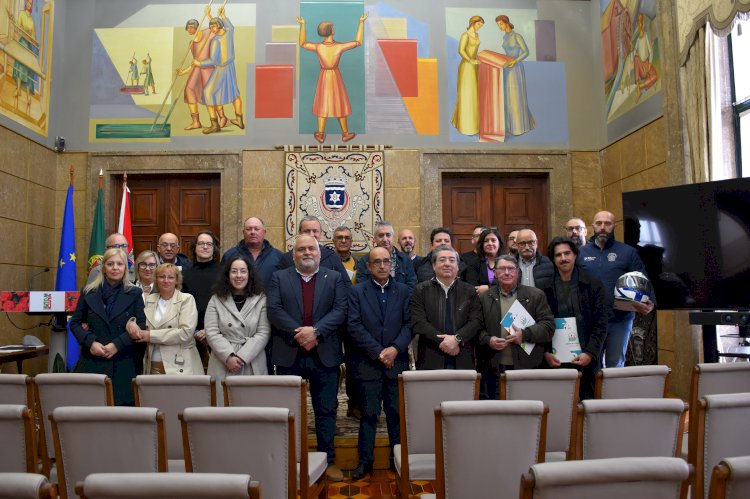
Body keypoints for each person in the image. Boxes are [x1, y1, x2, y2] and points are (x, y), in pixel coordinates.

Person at [267, 234, 348, 482]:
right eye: (301, 249)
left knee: (326, 410)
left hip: (324, 354)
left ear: (319, 253)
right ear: (294, 255)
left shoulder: (333, 277)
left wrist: (316, 331)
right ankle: (291, 461)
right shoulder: (279, 277)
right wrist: (299, 333)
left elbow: (340, 310)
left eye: (311, 249)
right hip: (290, 353)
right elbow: (274, 310)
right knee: (289, 412)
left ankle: (328, 460)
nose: (307, 253)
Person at [347, 246, 412, 480]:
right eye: (377, 262)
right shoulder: (356, 292)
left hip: (396, 365)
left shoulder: (404, 291)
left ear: (392, 264)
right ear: (369, 266)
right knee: (368, 415)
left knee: (396, 416)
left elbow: (409, 325)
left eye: (386, 261)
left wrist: (394, 349)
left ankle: (398, 462)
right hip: (368, 365)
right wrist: (378, 352)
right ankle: (365, 462)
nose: (383, 265)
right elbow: (353, 326)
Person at [69, 248, 146, 405]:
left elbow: (141, 325)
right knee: (92, 413)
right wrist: (91, 342)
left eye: (120, 264)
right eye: (110, 264)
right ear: (103, 267)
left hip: (122, 363)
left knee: (121, 416)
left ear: (125, 268)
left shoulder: (135, 293)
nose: (115, 268)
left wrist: (117, 345)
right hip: (92, 360)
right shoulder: (88, 292)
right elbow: (75, 323)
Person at [578, 211, 653, 368]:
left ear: (615, 226)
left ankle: (613, 394)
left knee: (615, 365)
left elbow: (643, 280)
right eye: (599, 223)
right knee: (592, 365)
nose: (603, 227)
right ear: (593, 226)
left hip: (620, 320)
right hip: (590, 320)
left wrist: (649, 301)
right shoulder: (581, 253)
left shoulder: (628, 252)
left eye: (608, 223)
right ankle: (593, 394)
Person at [476, 255, 555, 399]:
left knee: (526, 412)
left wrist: (525, 334)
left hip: (527, 366)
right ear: (495, 272)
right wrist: (488, 339)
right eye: (502, 269)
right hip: (494, 367)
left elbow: (548, 326)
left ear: (517, 272)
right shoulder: (484, 298)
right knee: (498, 412)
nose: (506, 272)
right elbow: (476, 329)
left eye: (511, 269)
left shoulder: (536, 295)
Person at [542, 237, 607, 400]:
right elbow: (541, 324)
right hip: (556, 360)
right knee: (559, 406)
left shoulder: (593, 284)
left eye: (567, 253)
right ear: (553, 259)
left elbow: (601, 323)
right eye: (558, 255)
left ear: (575, 255)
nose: (563, 258)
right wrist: (546, 354)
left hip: (586, 357)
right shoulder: (545, 288)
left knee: (588, 405)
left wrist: (590, 353)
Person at [205, 255, 270, 403]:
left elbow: (263, 332)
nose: (238, 275)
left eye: (243, 271)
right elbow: (211, 332)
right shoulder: (216, 299)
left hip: (251, 360)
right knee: (222, 408)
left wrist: (241, 357)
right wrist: (229, 356)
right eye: (234, 271)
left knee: (252, 409)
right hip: (223, 361)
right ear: (228, 274)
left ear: (249, 274)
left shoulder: (261, 299)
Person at [296, 13, 368, 143]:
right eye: (333, 28)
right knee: (339, 103)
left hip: (324, 77)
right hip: (335, 77)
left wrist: (302, 25)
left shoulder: (318, 47)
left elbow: (302, 43)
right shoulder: (339, 46)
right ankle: (345, 134)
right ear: (330, 31)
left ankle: (320, 134)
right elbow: (358, 42)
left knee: (322, 104)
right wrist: (361, 23)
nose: (334, 29)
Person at [411, 245, 482, 370]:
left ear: (458, 266)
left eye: (452, 260)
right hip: (431, 355)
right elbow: (418, 322)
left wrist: (456, 339)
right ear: (433, 265)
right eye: (442, 260)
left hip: (462, 354)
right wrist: (444, 342)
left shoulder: (469, 290)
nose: (447, 264)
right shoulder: (421, 290)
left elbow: (476, 321)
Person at [135, 263, 202, 375]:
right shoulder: (149, 299)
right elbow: (141, 324)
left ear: (177, 280)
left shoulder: (186, 299)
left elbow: (185, 333)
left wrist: (150, 336)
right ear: (156, 280)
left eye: (170, 277)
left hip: (179, 364)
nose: (166, 280)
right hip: (152, 362)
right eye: (162, 277)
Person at [193, 6, 244, 134]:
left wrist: (199, 63)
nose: (211, 30)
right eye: (210, 27)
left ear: (219, 26)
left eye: (213, 27)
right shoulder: (229, 32)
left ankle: (215, 125)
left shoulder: (215, 41)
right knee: (234, 94)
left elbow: (213, 61)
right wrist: (221, 15)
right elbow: (227, 26)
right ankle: (239, 120)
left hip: (221, 69)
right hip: (230, 67)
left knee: (208, 93)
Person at [176, 18, 227, 130]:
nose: (189, 29)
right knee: (189, 90)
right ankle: (196, 122)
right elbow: (194, 62)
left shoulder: (207, 33)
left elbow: (217, 25)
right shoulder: (191, 43)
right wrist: (183, 72)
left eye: (191, 27)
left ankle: (221, 117)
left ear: (197, 27)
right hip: (197, 70)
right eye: (188, 27)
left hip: (208, 68)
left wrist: (209, 15)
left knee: (210, 94)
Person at [182, 231, 223, 366]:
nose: (205, 247)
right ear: (195, 247)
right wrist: (195, 331)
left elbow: (226, 305)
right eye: (201, 243)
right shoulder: (184, 274)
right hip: (191, 334)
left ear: (214, 248)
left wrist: (209, 331)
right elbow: (182, 307)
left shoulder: (224, 273)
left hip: (219, 333)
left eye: (209, 244)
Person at [278, 216, 352, 287]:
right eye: (307, 231)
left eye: (315, 231)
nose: (311, 235)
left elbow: (346, 285)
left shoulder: (332, 257)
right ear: (299, 233)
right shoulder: (286, 258)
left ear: (321, 234)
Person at [496, 15, 535, 136]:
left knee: (516, 97)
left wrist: (515, 60)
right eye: (498, 25)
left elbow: (526, 51)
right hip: (507, 67)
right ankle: (509, 126)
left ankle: (518, 127)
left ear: (506, 22)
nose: (500, 27)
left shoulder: (517, 36)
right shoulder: (505, 36)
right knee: (507, 96)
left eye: (501, 24)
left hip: (516, 68)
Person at [221, 216, 283, 288]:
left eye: (257, 229)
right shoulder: (230, 255)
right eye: (248, 229)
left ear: (264, 232)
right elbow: (222, 283)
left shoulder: (278, 257)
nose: (253, 232)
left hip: (269, 298)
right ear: (243, 232)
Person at [355, 220, 416, 288]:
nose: (385, 239)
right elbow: (361, 287)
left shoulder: (405, 260)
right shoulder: (365, 260)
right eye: (381, 235)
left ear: (392, 237)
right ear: (375, 239)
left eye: (388, 235)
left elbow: (412, 285)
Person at [451, 15, 484, 136]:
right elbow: (461, 50)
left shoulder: (477, 35)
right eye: (479, 24)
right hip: (466, 67)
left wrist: (478, 59)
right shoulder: (465, 35)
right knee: (467, 95)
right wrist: (471, 60)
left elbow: (474, 50)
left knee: (474, 95)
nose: (480, 27)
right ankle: (466, 127)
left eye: (481, 25)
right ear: (473, 23)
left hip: (475, 66)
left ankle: (475, 125)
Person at [464, 227, 504, 296]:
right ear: (482, 244)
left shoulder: (508, 261)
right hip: (482, 302)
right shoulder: (473, 263)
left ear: (499, 243)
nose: (490, 243)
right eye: (486, 241)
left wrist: (489, 288)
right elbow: (472, 287)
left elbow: (512, 282)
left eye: (493, 240)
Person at [633, 13, 657, 98]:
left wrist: (649, 65)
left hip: (647, 64)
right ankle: (637, 82)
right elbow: (635, 54)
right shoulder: (637, 41)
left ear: (643, 24)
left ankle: (640, 87)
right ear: (638, 24)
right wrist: (636, 55)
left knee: (655, 76)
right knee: (636, 58)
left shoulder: (646, 36)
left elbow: (651, 52)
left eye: (642, 22)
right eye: (639, 22)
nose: (641, 24)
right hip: (641, 69)